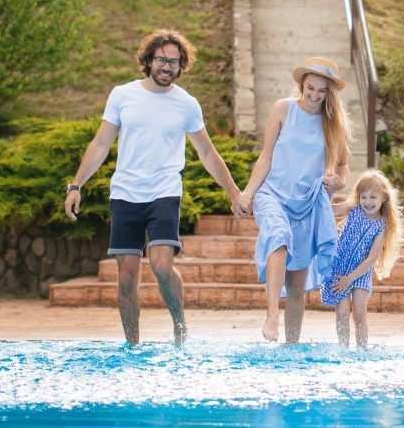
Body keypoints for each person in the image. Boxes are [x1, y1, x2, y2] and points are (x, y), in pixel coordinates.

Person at [64, 29, 246, 345]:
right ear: (148, 61)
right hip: (125, 194)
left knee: (162, 266)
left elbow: (207, 152)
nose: (167, 66)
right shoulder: (122, 95)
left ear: (181, 66)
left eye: (174, 62)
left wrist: (234, 192)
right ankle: (132, 345)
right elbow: (101, 143)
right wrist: (75, 185)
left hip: (164, 191)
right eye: (162, 59)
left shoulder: (186, 104)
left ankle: (179, 327)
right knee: (126, 279)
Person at [240, 57, 352, 343]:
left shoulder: (333, 125)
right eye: (310, 88)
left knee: (296, 284)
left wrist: (337, 181)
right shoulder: (283, 109)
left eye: (321, 91)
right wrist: (247, 193)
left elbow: (342, 167)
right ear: (301, 84)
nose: (314, 95)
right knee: (278, 235)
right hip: (273, 193)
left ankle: (291, 349)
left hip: (308, 203)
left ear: (330, 93)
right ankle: (271, 316)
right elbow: (265, 157)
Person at [320, 169, 404, 348]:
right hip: (340, 268)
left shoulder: (381, 225)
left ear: (384, 198)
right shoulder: (354, 208)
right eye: (363, 197)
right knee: (342, 312)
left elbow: (371, 258)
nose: (367, 202)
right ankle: (343, 349)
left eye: (373, 197)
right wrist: (327, 190)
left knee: (359, 313)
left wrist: (350, 279)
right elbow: (328, 210)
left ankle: (361, 351)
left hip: (360, 273)